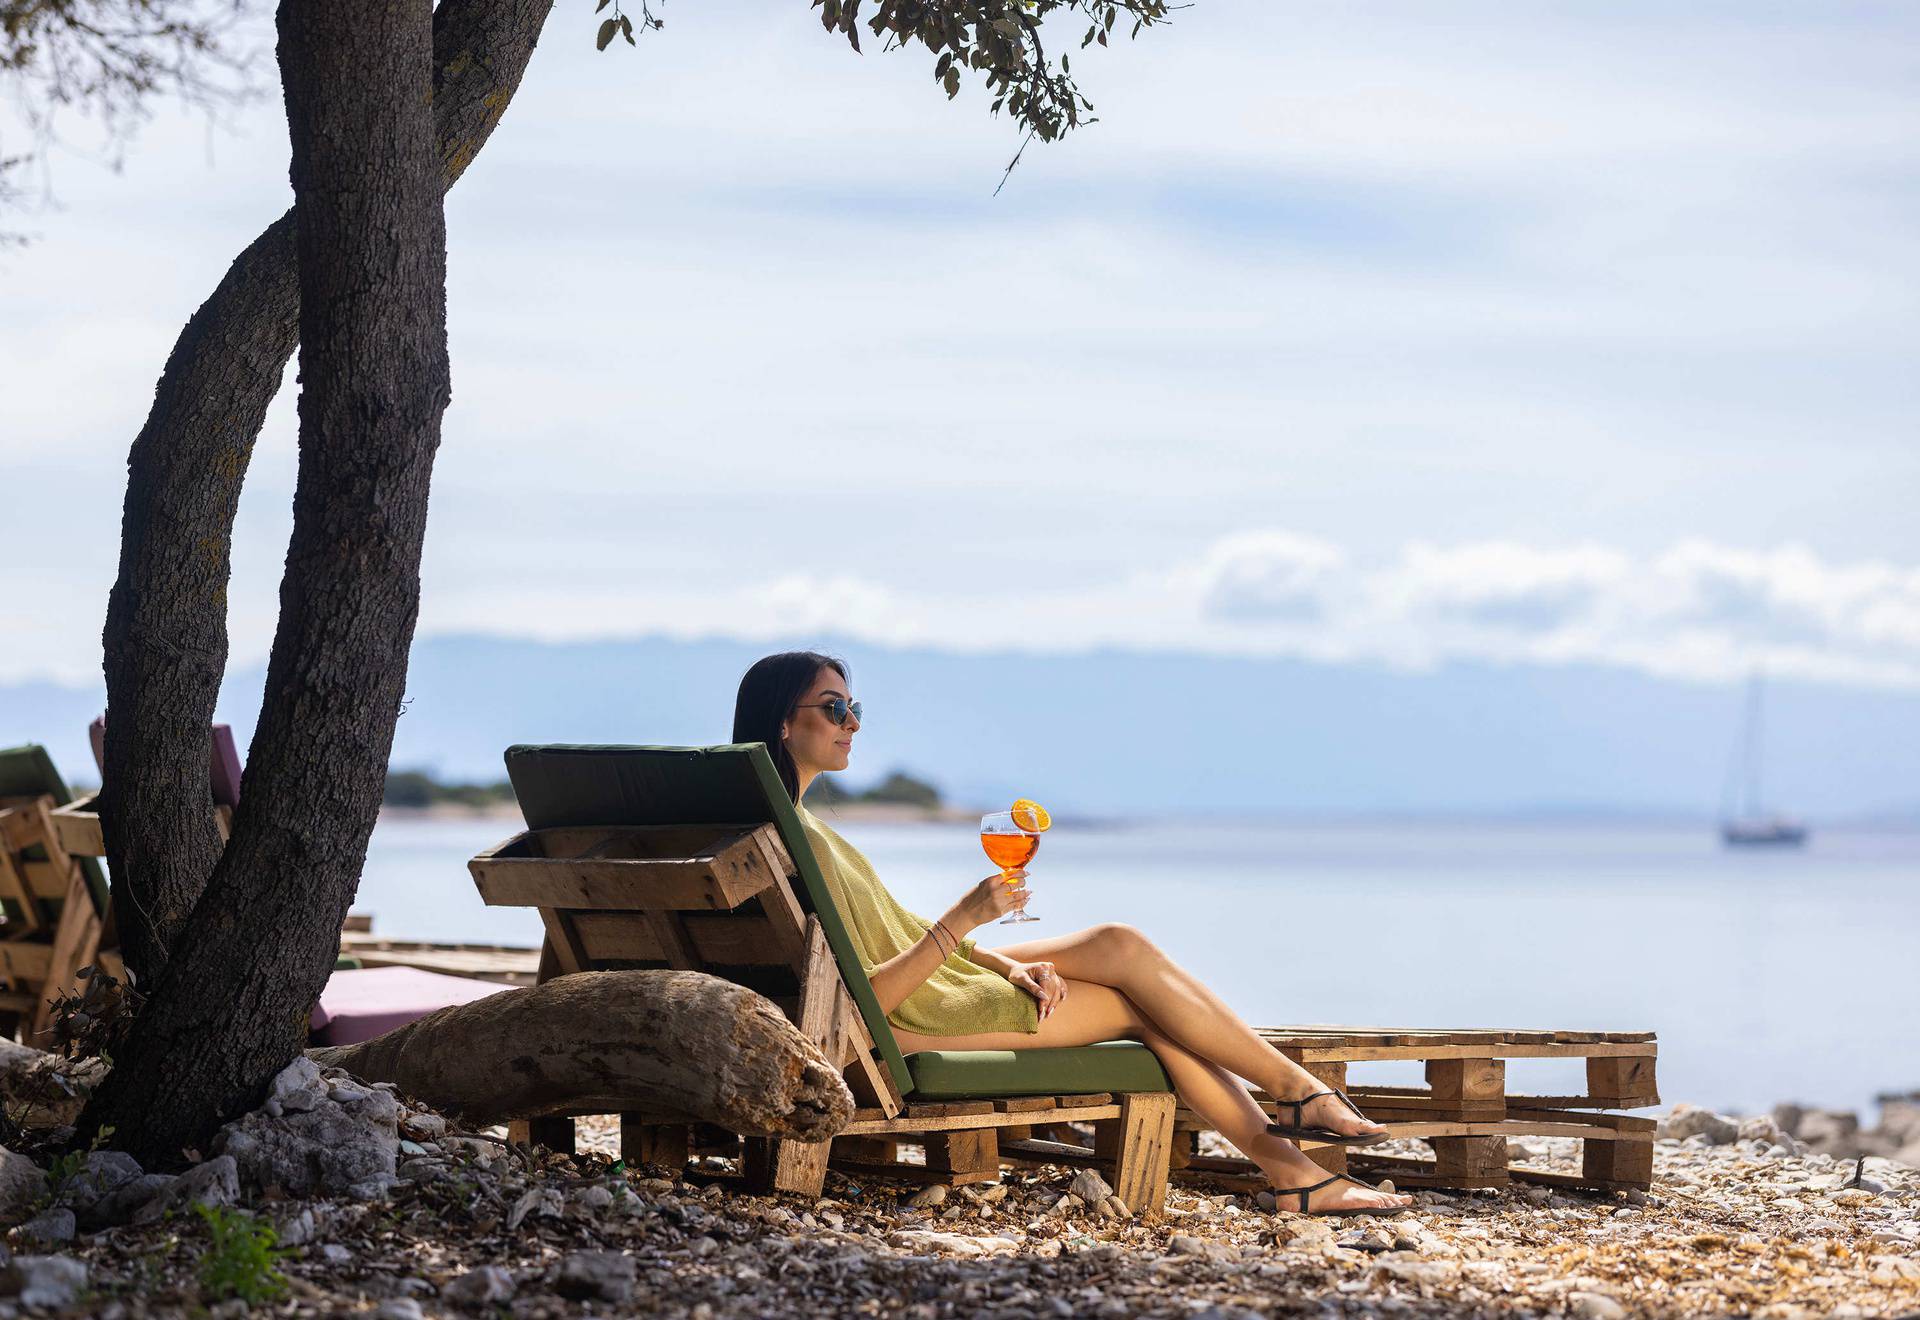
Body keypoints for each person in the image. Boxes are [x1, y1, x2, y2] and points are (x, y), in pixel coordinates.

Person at [734, 651, 1414, 1215]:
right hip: (897, 1016)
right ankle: (1295, 1154)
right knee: (1139, 1009)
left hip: (909, 982)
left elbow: (891, 931)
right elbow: (858, 1003)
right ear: (783, 724)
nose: (852, 723)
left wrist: (1003, 966)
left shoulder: (782, 827)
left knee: (1117, 944)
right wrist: (965, 918)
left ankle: (1296, 1100)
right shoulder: (802, 841)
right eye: (835, 709)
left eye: (856, 709)